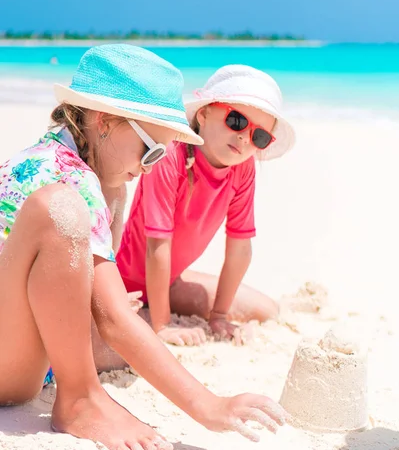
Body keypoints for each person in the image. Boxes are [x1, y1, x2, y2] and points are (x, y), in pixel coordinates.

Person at [0, 46, 287, 450]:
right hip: (8, 362)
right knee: (60, 210)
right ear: (104, 122)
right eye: (151, 149)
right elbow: (115, 321)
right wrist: (210, 407)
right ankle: (81, 399)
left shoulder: (76, 164)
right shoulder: (69, 181)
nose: (151, 167)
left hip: (20, 337)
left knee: (111, 195)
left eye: (162, 154)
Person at [117, 65, 295, 347]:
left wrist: (219, 316)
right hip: (123, 282)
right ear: (204, 113)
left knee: (267, 310)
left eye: (259, 137)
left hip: (170, 281)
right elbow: (157, 246)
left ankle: (166, 307)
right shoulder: (171, 153)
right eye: (236, 121)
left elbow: (240, 247)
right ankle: (155, 314)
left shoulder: (243, 168)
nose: (244, 138)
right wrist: (163, 325)